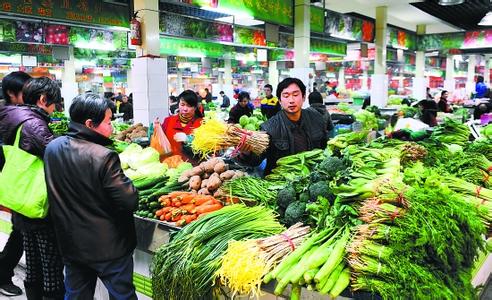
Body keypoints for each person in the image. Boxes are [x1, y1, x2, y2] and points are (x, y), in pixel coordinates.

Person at [44, 93, 138, 300]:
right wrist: (128, 182)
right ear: (89, 123)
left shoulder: (52, 147)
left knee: (76, 295)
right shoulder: (103, 156)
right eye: (108, 121)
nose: (112, 126)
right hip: (109, 247)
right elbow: (129, 200)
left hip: (71, 242)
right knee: (122, 295)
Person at [0, 77, 65, 299]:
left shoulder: (13, 117)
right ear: (43, 99)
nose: (55, 109)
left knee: (34, 263)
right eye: (54, 103)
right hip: (38, 207)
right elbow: (57, 157)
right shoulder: (33, 123)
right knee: (51, 268)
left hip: (22, 202)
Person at [241, 78, 327, 175]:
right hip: (281, 183)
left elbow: (325, 147)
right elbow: (255, 161)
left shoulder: (316, 118)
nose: (291, 100)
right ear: (280, 101)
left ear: (303, 97)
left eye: (295, 95)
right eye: (286, 96)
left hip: (313, 179)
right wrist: (246, 153)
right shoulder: (269, 128)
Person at [0, 71, 31, 297]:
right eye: (25, 90)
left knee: (20, 230)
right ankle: (2, 275)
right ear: (12, 93)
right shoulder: (11, 116)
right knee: (20, 231)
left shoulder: (18, 113)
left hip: (18, 181)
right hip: (15, 182)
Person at [162, 90, 204, 162]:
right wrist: (155, 132)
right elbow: (160, 142)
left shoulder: (202, 124)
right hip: (170, 166)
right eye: (182, 104)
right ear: (178, 104)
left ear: (195, 107)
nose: (185, 109)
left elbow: (206, 149)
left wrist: (190, 141)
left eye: (189, 106)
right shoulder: (168, 121)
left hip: (192, 167)